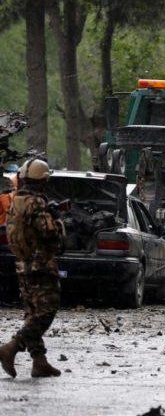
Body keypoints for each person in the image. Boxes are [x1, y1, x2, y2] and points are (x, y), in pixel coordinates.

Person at [0, 159, 64, 378]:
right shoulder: (36, 203)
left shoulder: (17, 200)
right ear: (42, 180)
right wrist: (58, 219)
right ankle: (12, 347)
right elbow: (51, 235)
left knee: (32, 311)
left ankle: (39, 360)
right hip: (41, 265)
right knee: (46, 311)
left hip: (23, 264)